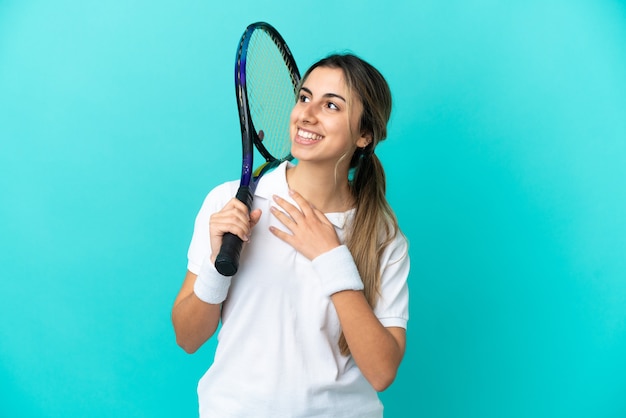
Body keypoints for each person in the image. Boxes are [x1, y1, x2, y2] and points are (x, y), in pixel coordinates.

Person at [172, 53, 410, 418]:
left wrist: (331, 257)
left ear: (364, 135)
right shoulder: (229, 203)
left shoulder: (383, 236)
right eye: (304, 97)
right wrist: (216, 269)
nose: (307, 114)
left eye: (331, 105)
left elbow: (381, 372)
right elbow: (187, 339)